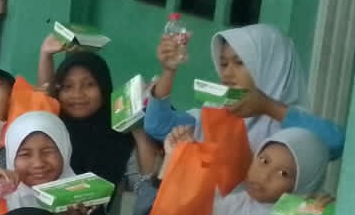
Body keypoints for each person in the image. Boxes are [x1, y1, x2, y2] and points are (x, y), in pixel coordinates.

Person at [144, 22, 344, 157]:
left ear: (271, 67)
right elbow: (158, 126)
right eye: (223, 64)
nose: (227, 73)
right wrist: (168, 71)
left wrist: (269, 107)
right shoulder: (217, 109)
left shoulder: (289, 122)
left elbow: (339, 143)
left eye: (239, 63)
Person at [35, 41, 159, 200]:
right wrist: (46, 55)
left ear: (103, 87)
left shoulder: (119, 134)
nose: (77, 94)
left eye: (89, 85)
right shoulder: (51, 130)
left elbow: (148, 186)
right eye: (67, 86)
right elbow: (43, 99)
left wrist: (137, 128)